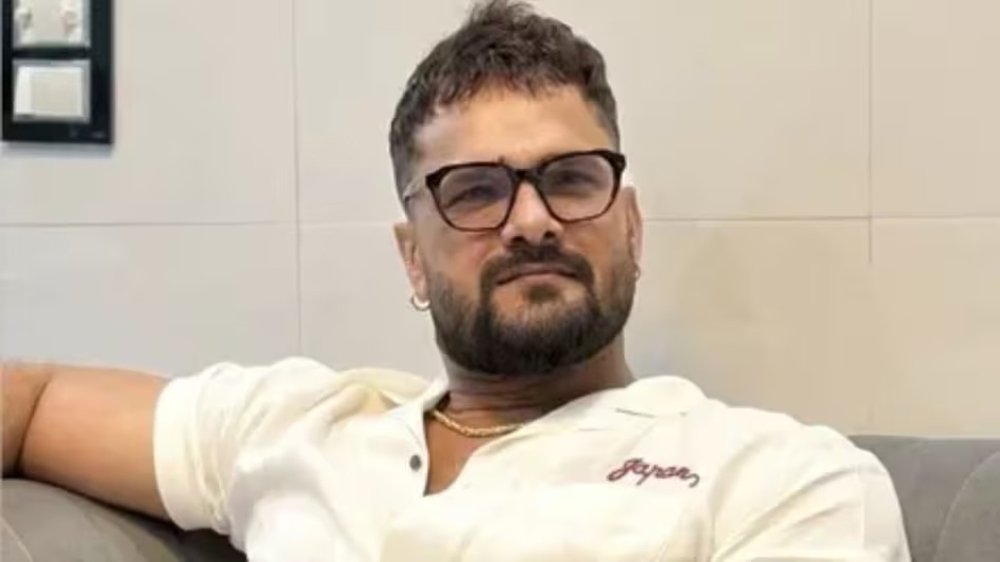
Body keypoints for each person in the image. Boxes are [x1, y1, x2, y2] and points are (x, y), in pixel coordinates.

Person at [2, 1, 910, 560]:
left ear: (630, 226)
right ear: (413, 256)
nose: (532, 220)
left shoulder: (782, 479)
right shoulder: (298, 425)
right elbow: (32, 403)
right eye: (475, 190)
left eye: (571, 179)